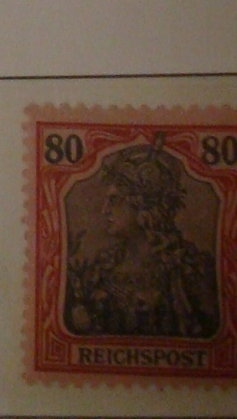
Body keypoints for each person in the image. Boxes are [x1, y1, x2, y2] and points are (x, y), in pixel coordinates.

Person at [64, 140, 221, 338]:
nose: (105, 210)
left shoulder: (192, 271)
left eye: (114, 200)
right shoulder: (100, 269)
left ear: (143, 207)